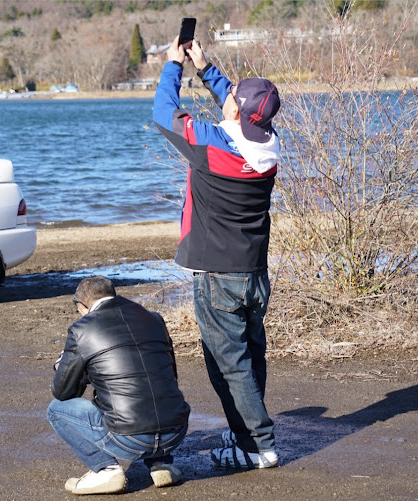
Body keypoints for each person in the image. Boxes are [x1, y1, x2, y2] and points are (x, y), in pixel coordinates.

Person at [152, 36, 281, 470]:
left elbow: (163, 114)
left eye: (232, 101)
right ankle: (247, 431)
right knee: (250, 354)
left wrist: (174, 67)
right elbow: (236, 104)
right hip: (253, 272)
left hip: (217, 276)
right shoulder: (268, 145)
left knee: (227, 365)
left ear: (237, 114)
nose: (228, 102)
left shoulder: (215, 147)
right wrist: (205, 67)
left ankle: (255, 446)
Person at [47, 276, 191, 495]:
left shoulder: (81, 329)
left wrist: (69, 368)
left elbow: (62, 392)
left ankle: (106, 469)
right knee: (153, 388)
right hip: (175, 432)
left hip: (129, 439)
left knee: (56, 410)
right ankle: (162, 464)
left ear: (82, 307)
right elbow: (170, 375)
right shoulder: (153, 319)